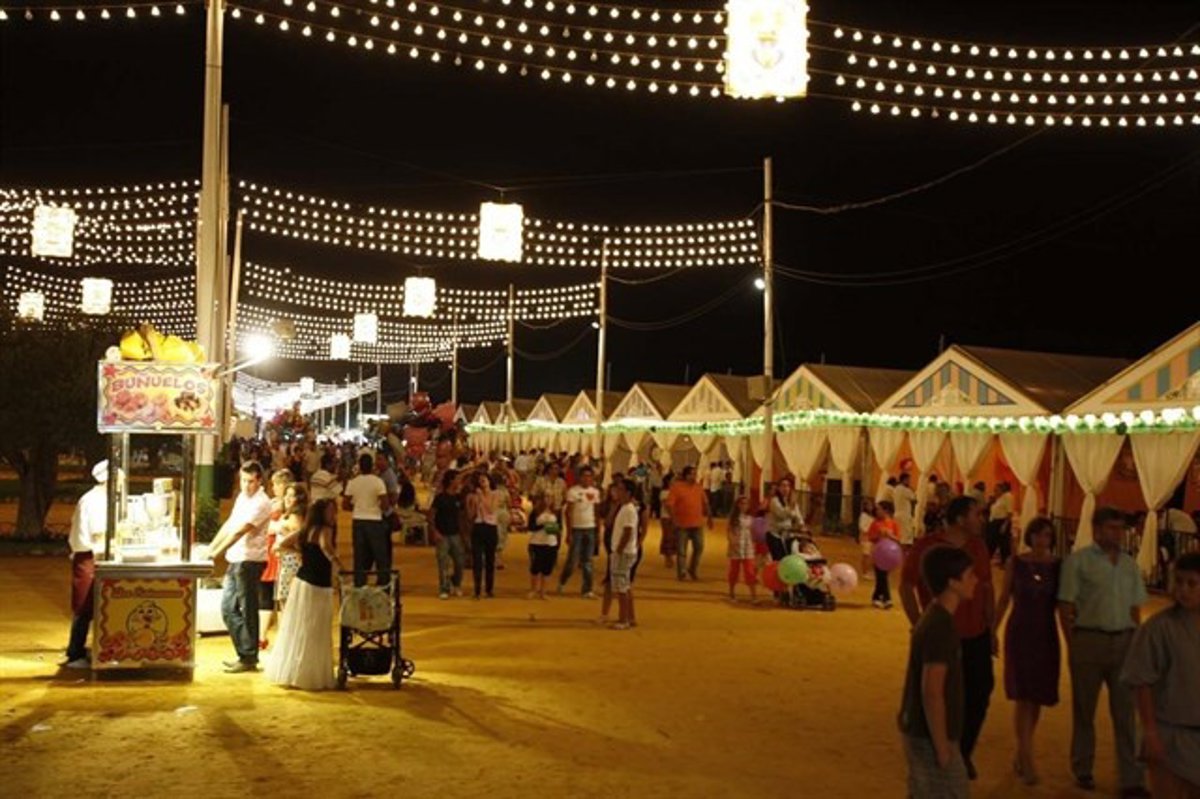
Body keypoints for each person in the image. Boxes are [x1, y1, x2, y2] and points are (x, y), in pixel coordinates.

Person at [900, 495, 995, 781]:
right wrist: (918, 622)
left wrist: (990, 627)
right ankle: (942, 749)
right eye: (977, 514)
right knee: (942, 692)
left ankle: (962, 751)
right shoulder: (927, 547)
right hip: (946, 634)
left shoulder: (978, 547)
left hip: (975, 633)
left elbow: (986, 587)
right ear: (960, 518)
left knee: (980, 691)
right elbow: (906, 585)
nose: (982, 520)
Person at [1057, 506, 1149, 796]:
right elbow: (1065, 605)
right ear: (1096, 529)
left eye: (1120, 528)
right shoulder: (1078, 562)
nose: (1117, 534)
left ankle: (1131, 779)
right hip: (1089, 639)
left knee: (1125, 714)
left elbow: (1135, 608)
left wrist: (1136, 642)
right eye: (1111, 528)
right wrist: (1074, 644)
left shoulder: (1129, 565)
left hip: (1123, 641)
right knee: (1085, 711)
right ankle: (1083, 767)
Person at [898, 545, 978, 799]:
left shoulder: (934, 618)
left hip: (923, 730)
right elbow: (932, 690)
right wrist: (942, 746)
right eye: (969, 575)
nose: (975, 580)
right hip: (929, 735)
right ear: (952, 582)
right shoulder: (941, 626)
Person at [1121, 552, 1200, 799]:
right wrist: (1151, 732)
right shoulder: (1158, 628)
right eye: (1179, 582)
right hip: (1171, 734)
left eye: (1192, 584)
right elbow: (1141, 682)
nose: (1183, 590)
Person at [994, 516, 1061, 786]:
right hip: (1020, 630)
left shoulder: (1058, 566)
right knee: (1022, 695)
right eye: (1037, 534)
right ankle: (1026, 755)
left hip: (1045, 633)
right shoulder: (1016, 563)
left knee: (1037, 695)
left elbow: (1064, 604)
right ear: (1029, 536)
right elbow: (1003, 598)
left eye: (1046, 535)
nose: (1041, 540)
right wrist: (992, 629)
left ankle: (1023, 749)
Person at [265, 498, 342, 691]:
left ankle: (294, 672)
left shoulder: (307, 530)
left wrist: (300, 551)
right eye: (331, 511)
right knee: (315, 630)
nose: (334, 515)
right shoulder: (325, 530)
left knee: (299, 627)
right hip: (317, 586)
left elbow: (280, 545)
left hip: (302, 584)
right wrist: (339, 565)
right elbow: (326, 547)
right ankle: (309, 675)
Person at [209, 461, 274, 673]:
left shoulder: (262, 503)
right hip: (236, 558)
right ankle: (246, 653)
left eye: (251, 481)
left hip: (250, 561)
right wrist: (211, 548)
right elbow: (230, 524)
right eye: (243, 480)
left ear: (259, 480)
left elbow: (240, 531)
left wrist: (216, 553)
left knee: (248, 610)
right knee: (228, 609)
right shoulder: (242, 497)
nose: (246, 485)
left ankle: (248, 656)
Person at [63, 460, 115, 668]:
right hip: (87, 556)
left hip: (91, 555)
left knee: (90, 606)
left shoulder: (100, 498)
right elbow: (98, 533)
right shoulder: (94, 501)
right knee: (84, 606)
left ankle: (86, 648)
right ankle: (74, 654)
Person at [343, 453, 391, 587]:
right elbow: (385, 504)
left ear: (359, 466)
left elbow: (345, 504)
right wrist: (375, 507)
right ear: (372, 466)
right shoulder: (378, 482)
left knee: (359, 555)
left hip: (358, 521)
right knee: (380, 555)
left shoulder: (353, 482)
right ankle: (384, 585)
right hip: (375, 521)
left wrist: (358, 507)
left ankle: (359, 584)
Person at [559, 465, 601, 598]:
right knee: (572, 560)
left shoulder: (595, 492)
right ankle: (563, 580)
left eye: (589, 476)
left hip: (590, 528)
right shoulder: (573, 492)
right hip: (577, 528)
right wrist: (569, 532)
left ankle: (587, 589)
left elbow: (597, 512)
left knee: (588, 560)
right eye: (584, 476)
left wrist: (598, 531)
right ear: (580, 477)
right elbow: (568, 512)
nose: (587, 479)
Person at [668, 465, 712, 581]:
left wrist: (709, 517)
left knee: (699, 547)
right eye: (691, 474)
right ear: (685, 476)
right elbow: (670, 505)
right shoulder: (677, 487)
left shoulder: (699, 488)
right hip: (682, 524)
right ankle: (682, 572)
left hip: (697, 523)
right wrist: (673, 519)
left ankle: (692, 569)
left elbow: (705, 503)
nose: (694, 476)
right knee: (681, 550)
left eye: (695, 474)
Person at [609, 478, 640, 630]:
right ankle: (630, 616)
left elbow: (628, 531)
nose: (617, 492)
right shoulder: (625, 508)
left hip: (624, 552)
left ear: (628, 493)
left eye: (620, 489)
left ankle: (623, 619)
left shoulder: (628, 509)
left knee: (621, 587)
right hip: (626, 551)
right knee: (626, 586)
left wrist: (619, 550)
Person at [429, 469, 465, 600]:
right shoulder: (440, 498)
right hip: (442, 534)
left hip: (455, 534)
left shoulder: (458, 498)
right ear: (451, 481)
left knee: (460, 562)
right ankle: (444, 588)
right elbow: (431, 515)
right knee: (443, 563)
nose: (459, 482)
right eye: (457, 479)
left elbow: (462, 517)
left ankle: (456, 583)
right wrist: (434, 531)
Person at [272, 483, 308, 614]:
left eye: (292, 496)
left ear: (299, 498)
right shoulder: (288, 514)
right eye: (286, 495)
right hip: (285, 560)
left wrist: (281, 546)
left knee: (288, 600)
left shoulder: (296, 515)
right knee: (284, 599)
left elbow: (299, 541)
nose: (287, 498)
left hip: (292, 561)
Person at [467, 471, 499, 599]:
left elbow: (491, 509)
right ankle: (477, 590)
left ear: (489, 481)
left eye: (484, 480)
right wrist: (472, 503)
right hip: (478, 526)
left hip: (491, 527)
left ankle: (489, 589)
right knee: (477, 560)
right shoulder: (474, 496)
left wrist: (482, 497)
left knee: (490, 560)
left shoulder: (495, 494)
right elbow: (471, 515)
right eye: (480, 481)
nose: (482, 482)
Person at [867, 501, 901, 610]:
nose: (877, 511)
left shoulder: (893, 524)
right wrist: (879, 535)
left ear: (886, 511)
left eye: (879, 509)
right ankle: (887, 598)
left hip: (889, 555)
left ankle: (876, 597)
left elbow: (898, 539)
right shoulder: (875, 523)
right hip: (878, 553)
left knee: (883, 576)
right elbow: (870, 537)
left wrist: (890, 536)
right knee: (881, 575)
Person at [726, 496, 758, 603]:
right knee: (734, 571)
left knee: (750, 571)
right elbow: (729, 531)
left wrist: (754, 544)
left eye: (746, 503)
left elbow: (754, 533)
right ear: (738, 505)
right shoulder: (733, 518)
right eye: (742, 503)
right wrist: (732, 541)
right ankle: (731, 593)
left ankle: (753, 596)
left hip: (748, 547)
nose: (744, 506)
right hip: (736, 547)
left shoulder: (750, 518)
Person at [527, 496, 560, 600]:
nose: (547, 500)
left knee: (547, 569)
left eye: (550, 498)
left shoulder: (556, 512)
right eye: (546, 497)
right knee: (535, 567)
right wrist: (543, 526)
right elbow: (531, 527)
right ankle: (533, 590)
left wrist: (557, 540)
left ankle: (543, 592)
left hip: (551, 543)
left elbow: (559, 528)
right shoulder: (535, 512)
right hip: (537, 542)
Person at [986, 482, 1015, 564]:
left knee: (1003, 544)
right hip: (994, 522)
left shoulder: (1008, 497)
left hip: (1001, 522)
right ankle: (987, 560)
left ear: (1002, 489)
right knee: (991, 542)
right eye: (994, 490)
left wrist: (1005, 525)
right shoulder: (998, 499)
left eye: (997, 490)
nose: (995, 492)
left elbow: (1010, 512)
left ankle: (1005, 563)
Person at [659, 473, 677, 568]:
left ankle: (671, 555)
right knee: (667, 536)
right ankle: (668, 557)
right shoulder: (664, 492)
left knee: (673, 537)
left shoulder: (674, 491)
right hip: (666, 517)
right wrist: (673, 516)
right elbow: (667, 506)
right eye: (673, 479)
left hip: (673, 516)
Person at [894, 472, 917, 548]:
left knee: (899, 537)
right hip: (905, 516)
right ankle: (904, 553)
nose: (910, 481)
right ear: (905, 480)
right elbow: (914, 499)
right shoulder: (905, 490)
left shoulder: (896, 488)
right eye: (909, 480)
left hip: (897, 515)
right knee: (906, 538)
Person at [858, 497, 877, 583]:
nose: (871, 507)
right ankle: (865, 572)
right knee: (866, 555)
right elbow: (863, 528)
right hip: (866, 538)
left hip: (872, 538)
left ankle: (869, 571)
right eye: (869, 505)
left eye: (871, 505)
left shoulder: (873, 516)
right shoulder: (864, 516)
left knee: (872, 556)